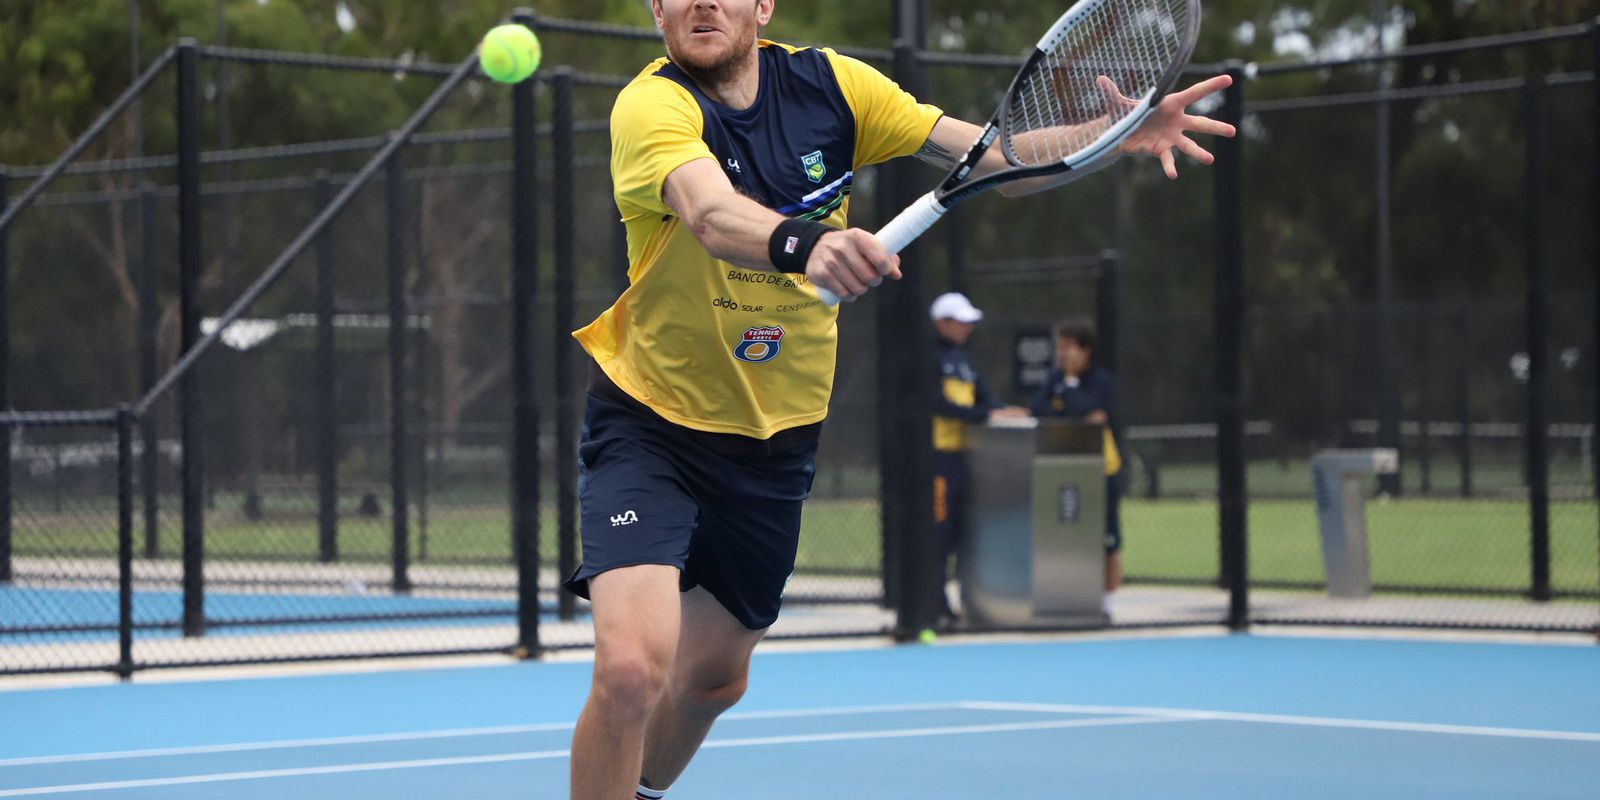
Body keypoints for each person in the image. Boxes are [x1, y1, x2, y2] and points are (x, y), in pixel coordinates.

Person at [562, 2, 1234, 797]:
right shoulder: (652, 104)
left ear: (763, 5)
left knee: (712, 682)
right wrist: (811, 243)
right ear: (657, 8)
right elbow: (709, 213)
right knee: (632, 671)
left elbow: (996, 157)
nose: (702, 0)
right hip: (651, 423)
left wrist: (1112, 135)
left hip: (774, 441)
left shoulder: (834, 87)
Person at [928, 292, 1028, 623]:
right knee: (939, 534)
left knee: (963, 531)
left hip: (963, 457)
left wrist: (1004, 411)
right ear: (942, 323)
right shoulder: (928, 357)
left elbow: (983, 397)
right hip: (937, 460)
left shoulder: (963, 359)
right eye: (961, 322)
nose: (967, 328)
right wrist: (985, 413)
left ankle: (968, 601)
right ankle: (935, 605)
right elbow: (939, 405)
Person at [1030, 318, 1125, 619]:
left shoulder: (1102, 382)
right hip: (1063, 470)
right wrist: (1067, 404)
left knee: (1107, 538)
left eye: (1068, 347)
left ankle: (1106, 603)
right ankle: (1066, 597)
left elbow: (1090, 412)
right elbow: (1040, 410)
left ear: (1086, 350)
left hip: (1102, 471)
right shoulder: (1054, 379)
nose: (1062, 354)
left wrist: (1070, 390)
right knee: (1066, 532)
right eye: (1060, 347)